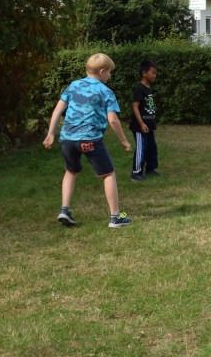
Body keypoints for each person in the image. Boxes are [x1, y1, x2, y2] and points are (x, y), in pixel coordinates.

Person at [43, 53, 133, 228]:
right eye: (109, 72)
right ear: (102, 71)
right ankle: (115, 218)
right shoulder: (106, 92)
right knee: (108, 174)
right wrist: (124, 141)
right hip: (90, 139)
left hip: (67, 139)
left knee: (71, 171)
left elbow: (57, 110)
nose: (110, 76)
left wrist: (51, 133)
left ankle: (64, 210)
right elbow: (113, 120)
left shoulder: (73, 86)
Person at [130, 60, 159, 181]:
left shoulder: (149, 88)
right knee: (141, 148)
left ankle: (150, 169)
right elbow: (135, 106)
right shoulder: (139, 88)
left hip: (149, 124)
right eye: (153, 73)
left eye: (155, 73)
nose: (155, 75)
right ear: (144, 73)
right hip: (140, 126)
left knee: (151, 147)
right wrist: (141, 123)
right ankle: (136, 172)